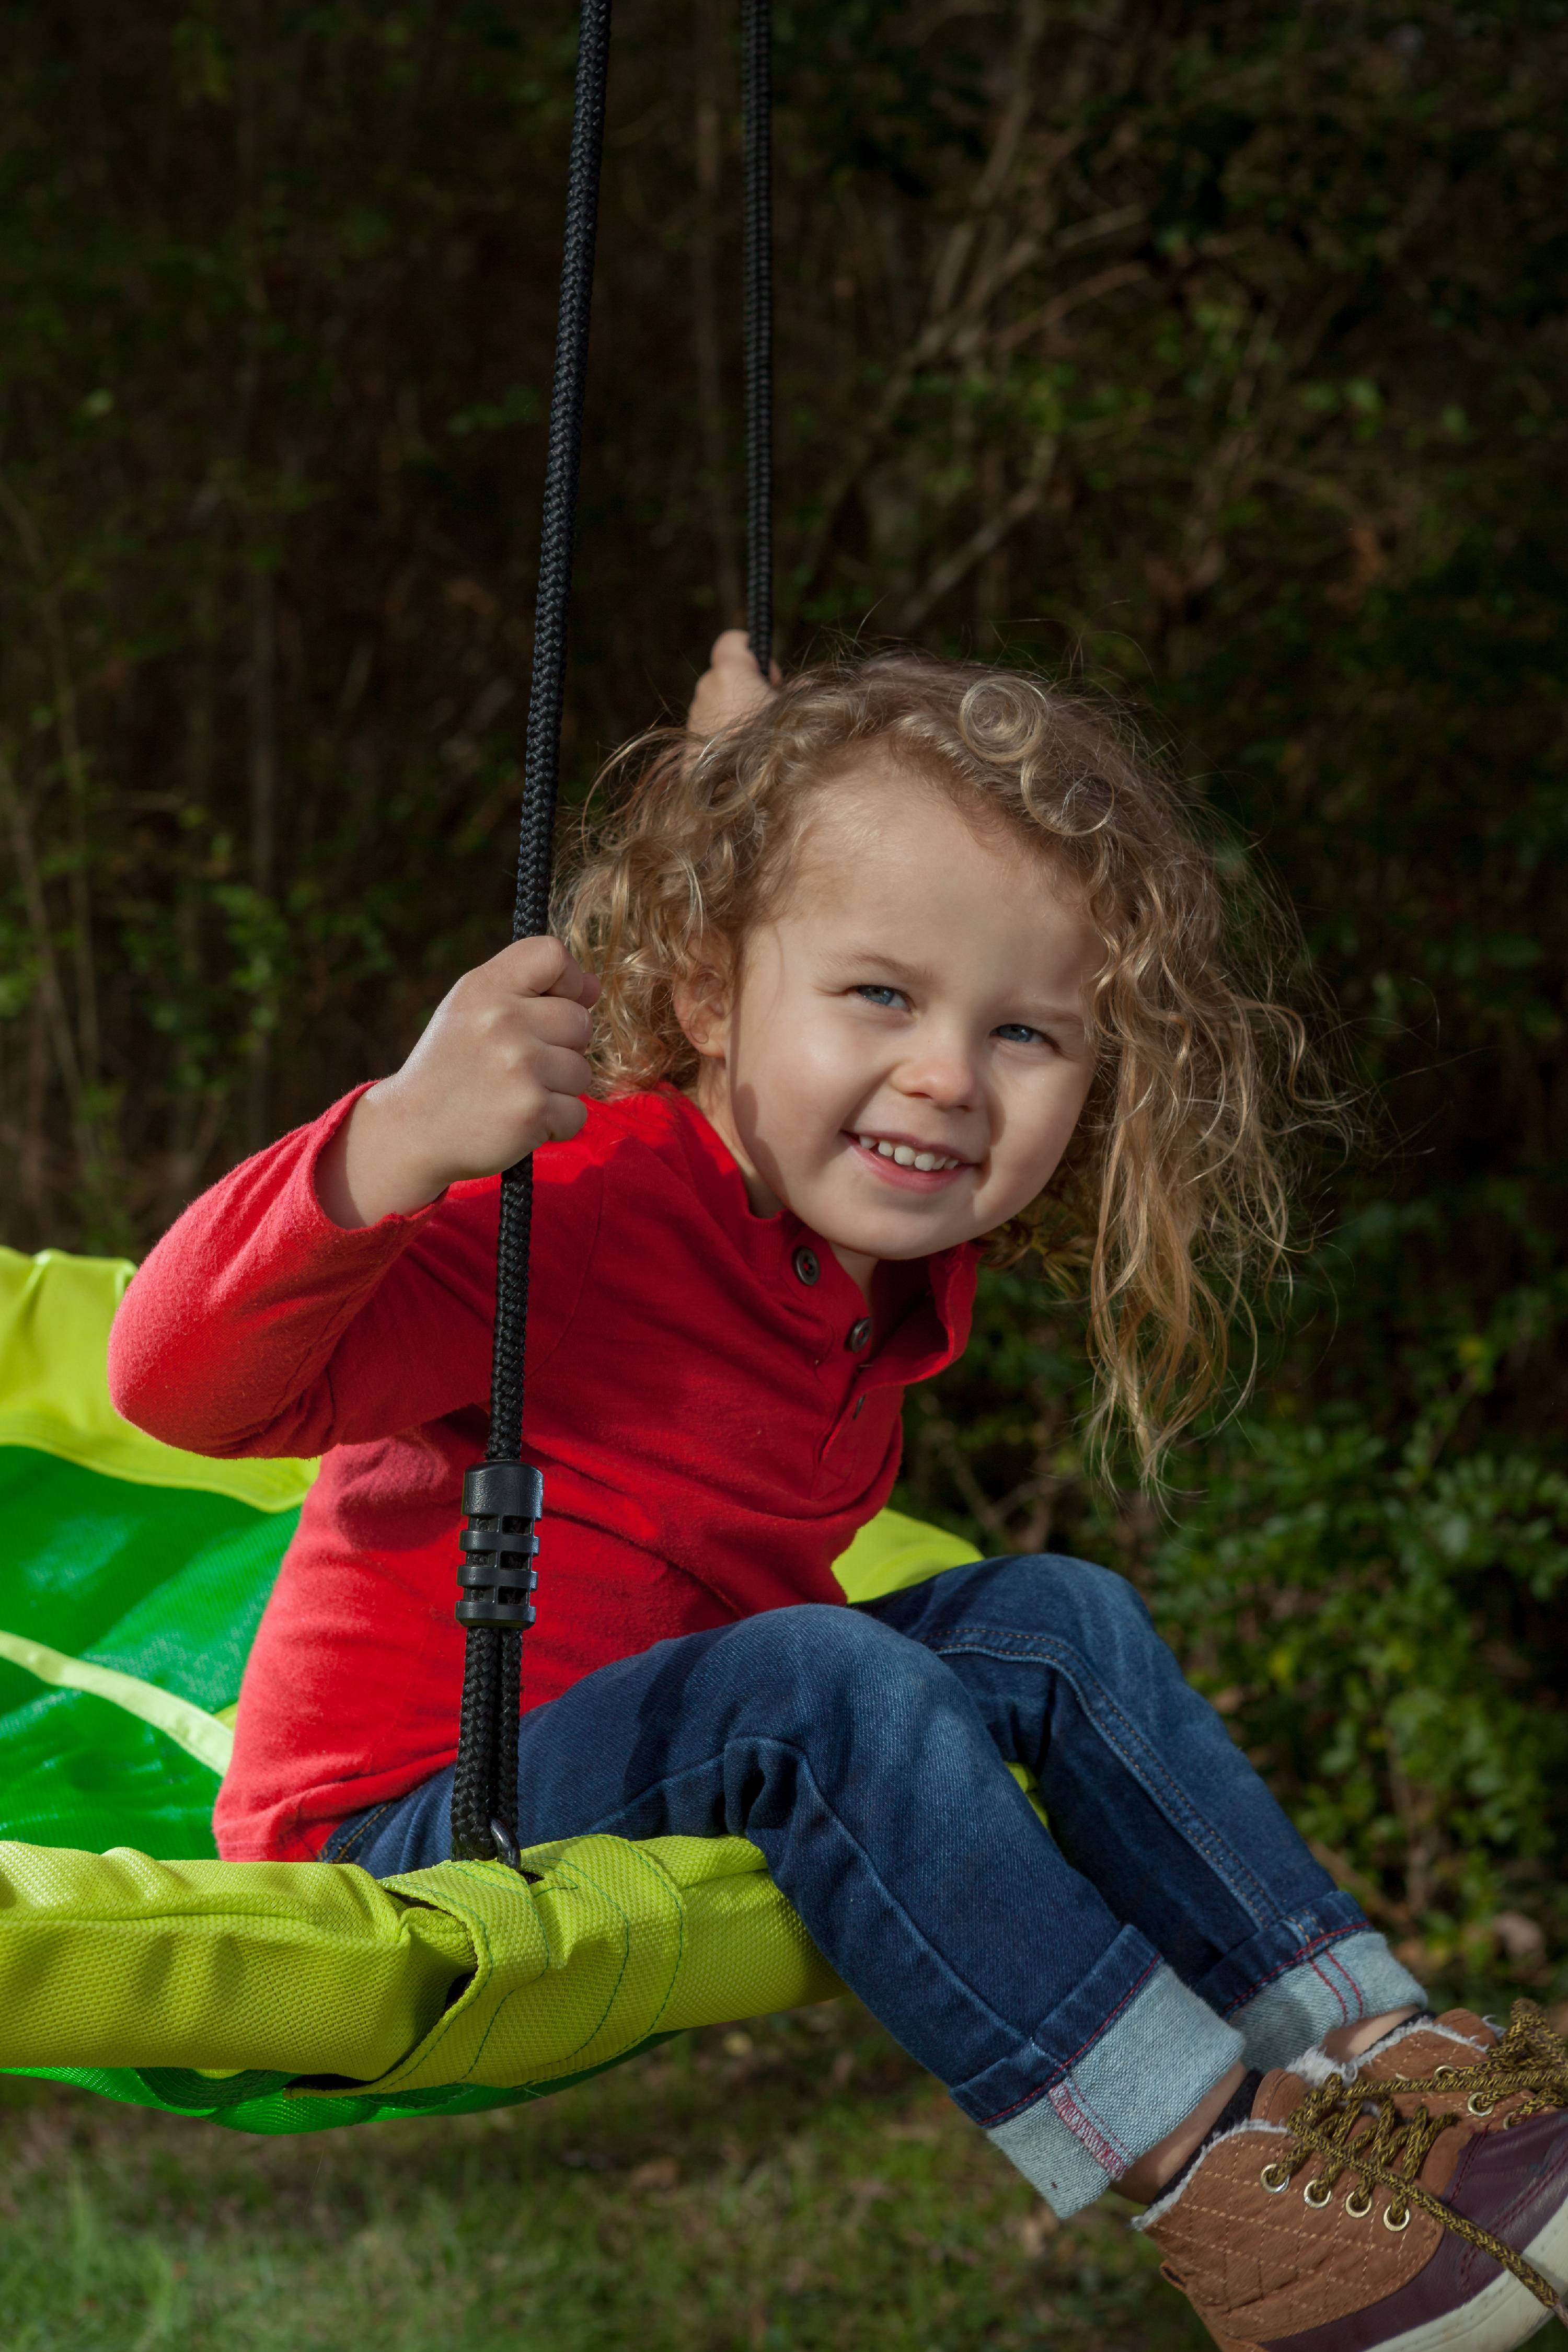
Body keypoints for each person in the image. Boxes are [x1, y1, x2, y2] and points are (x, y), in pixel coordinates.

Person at [110, 633, 1568, 2348]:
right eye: (881, 994)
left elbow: (772, 912)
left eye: (1024, 1028)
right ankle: (1231, 2190)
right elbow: (176, 1379)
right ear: (716, 991)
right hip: (415, 1824)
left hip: (669, 1742)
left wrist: (747, 783)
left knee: (1054, 1614)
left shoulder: (854, 1262)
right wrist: (390, 1139)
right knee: (827, 1679)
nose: (952, 1072)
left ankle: (1375, 2064)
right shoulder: (565, 1208)